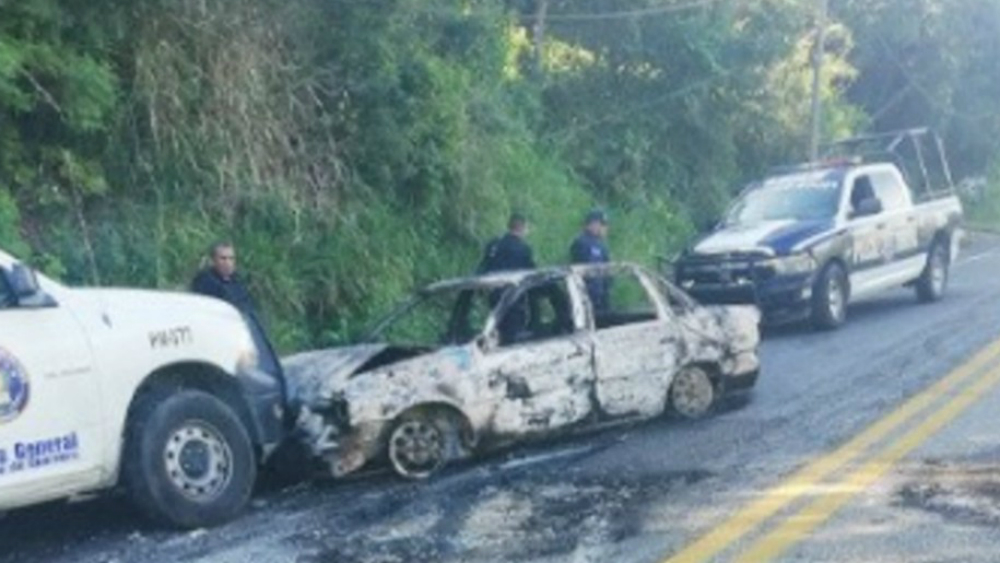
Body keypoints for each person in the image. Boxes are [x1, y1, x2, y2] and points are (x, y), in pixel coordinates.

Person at [191, 242, 282, 377]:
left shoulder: (236, 280)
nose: (228, 262)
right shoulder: (205, 282)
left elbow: (248, 306)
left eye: (231, 258)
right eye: (223, 258)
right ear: (213, 260)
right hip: (220, 338)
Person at [570, 209, 612, 311]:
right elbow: (580, 270)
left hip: (601, 296)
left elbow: (607, 270)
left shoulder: (601, 245)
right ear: (594, 224)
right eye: (602, 225)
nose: (605, 228)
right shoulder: (581, 243)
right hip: (587, 296)